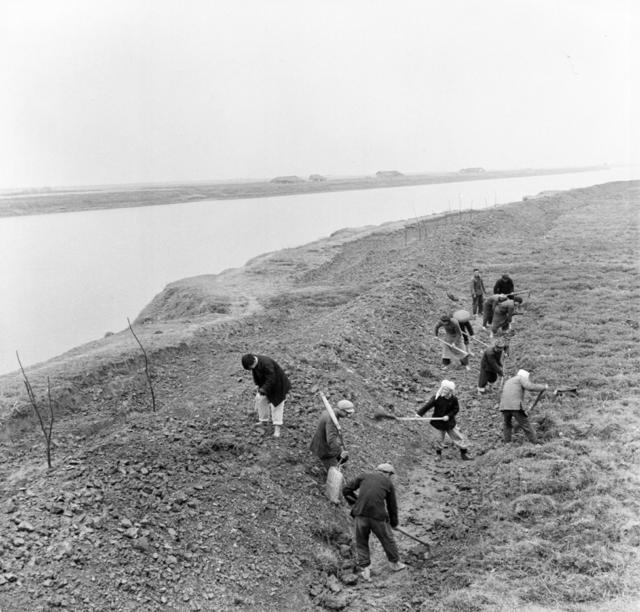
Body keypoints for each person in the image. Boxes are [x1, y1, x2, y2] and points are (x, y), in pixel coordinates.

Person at [342, 463, 406, 581]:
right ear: (386, 473)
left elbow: (345, 490)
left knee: (361, 542)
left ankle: (365, 570)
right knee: (387, 540)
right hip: (378, 517)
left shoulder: (363, 476)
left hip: (360, 515)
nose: (390, 477)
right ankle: (395, 564)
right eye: (390, 475)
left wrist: (356, 502)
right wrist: (394, 523)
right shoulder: (388, 483)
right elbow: (392, 506)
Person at [416, 380, 471, 461]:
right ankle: (438, 455)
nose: (444, 391)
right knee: (438, 439)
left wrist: (448, 416)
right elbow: (427, 406)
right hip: (438, 424)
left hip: (450, 423)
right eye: (443, 389)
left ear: (450, 391)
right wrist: (419, 414)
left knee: (458, 437)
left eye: (446, 390)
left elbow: (456, 409)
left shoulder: (454, 399)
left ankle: (464, 453)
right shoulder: (437, 398)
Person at [241, 353, 291, 438]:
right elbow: (255, 374)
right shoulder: (253, 362)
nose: (251, 369)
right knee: (261, 400)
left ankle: (277, 429)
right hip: (266, 384)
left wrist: (263, 390)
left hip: (278, 385)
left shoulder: (267, 363)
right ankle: (263, 420)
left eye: (250, 368)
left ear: (253, 362)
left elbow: (272, 379)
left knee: (277, 406)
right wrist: (258, 386)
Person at [499, 369, 549, 444]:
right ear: (525, 376)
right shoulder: (520, 378)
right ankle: (535, 442)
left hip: (504, 406)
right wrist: (543, 387)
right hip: (515, 406)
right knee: (526, 424)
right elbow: (530, 387)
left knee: (507, 424)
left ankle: (507, 442)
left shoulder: (509, 381)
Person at [310, 399, 355, 472]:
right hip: (323, 449)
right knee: (335, 470)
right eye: (347, 413)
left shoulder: (328, 412)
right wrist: (339, 453)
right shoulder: (332, 421)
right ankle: (327, 468)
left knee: (345, 457)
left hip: (318, 442)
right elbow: (331, 441)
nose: (348, 415)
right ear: (341, 410)